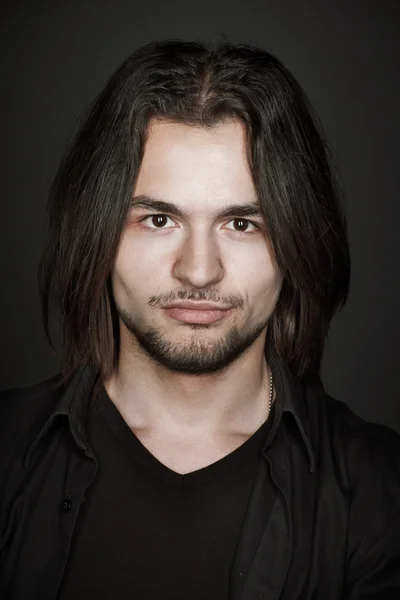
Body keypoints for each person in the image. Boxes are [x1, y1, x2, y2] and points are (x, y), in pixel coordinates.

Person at [1, 38, 399, 600]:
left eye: (242, 225)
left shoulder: (381, 492)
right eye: (159, 218)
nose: (198, 270)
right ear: (98, 233)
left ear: (298, 244)